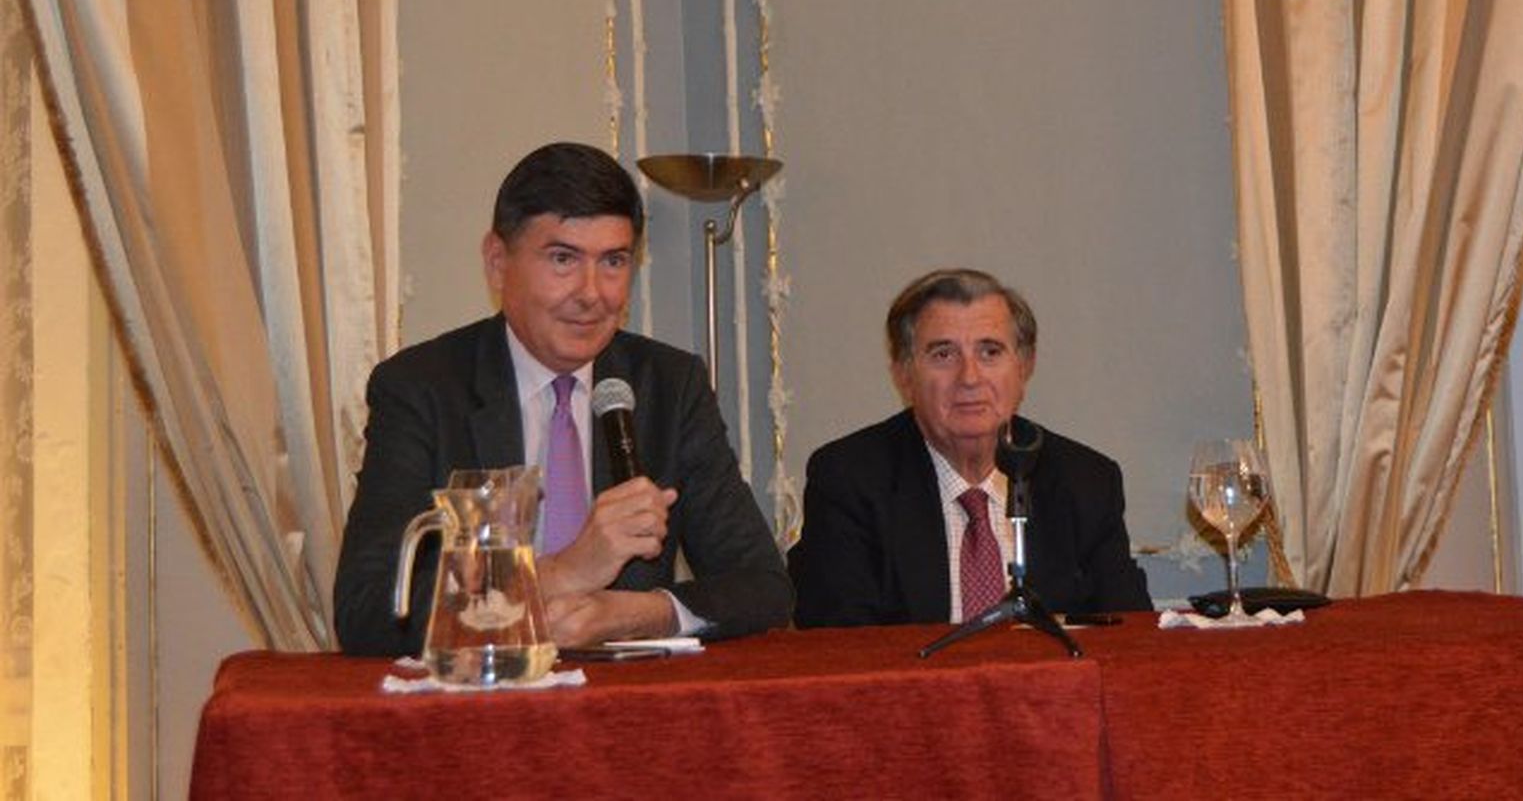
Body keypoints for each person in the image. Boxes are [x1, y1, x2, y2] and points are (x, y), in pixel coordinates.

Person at [335, 142, 792, 655]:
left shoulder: (668, 385)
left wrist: (638, 615)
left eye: (614, 261)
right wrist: (564, 572)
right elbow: (368, 611)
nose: (592, 293)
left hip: (631, 713)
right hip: (478, 714)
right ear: (497, 262)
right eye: (562, 259)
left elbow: (764, 589)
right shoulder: (423, 388)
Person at [787, 268, 1151, 628]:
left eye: (990, 352)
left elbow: (1130, 636)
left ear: (1024, 366)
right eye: (944, 354)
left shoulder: (1085, 481)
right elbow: (840, 647)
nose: (970, 378)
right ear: (903, 373)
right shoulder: (850, 481)